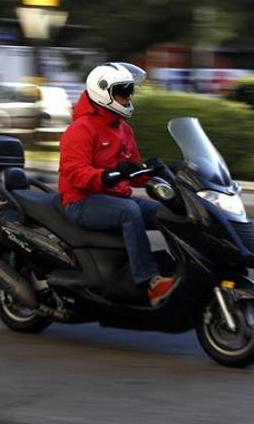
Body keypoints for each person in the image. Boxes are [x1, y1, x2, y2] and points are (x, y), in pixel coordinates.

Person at [58, 62, 178, 306]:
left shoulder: (123, 129)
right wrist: (109, 175)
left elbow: (134, 171)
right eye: (123, 92)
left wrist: (163, 172)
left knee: (168, 211)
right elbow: (75, 173)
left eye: (129, 91)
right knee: (129, 212)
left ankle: (181, 269)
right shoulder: (81, 129)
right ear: (104, 93)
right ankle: (149, 281)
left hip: (114, 197)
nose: (128, 97)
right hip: (82, 201)